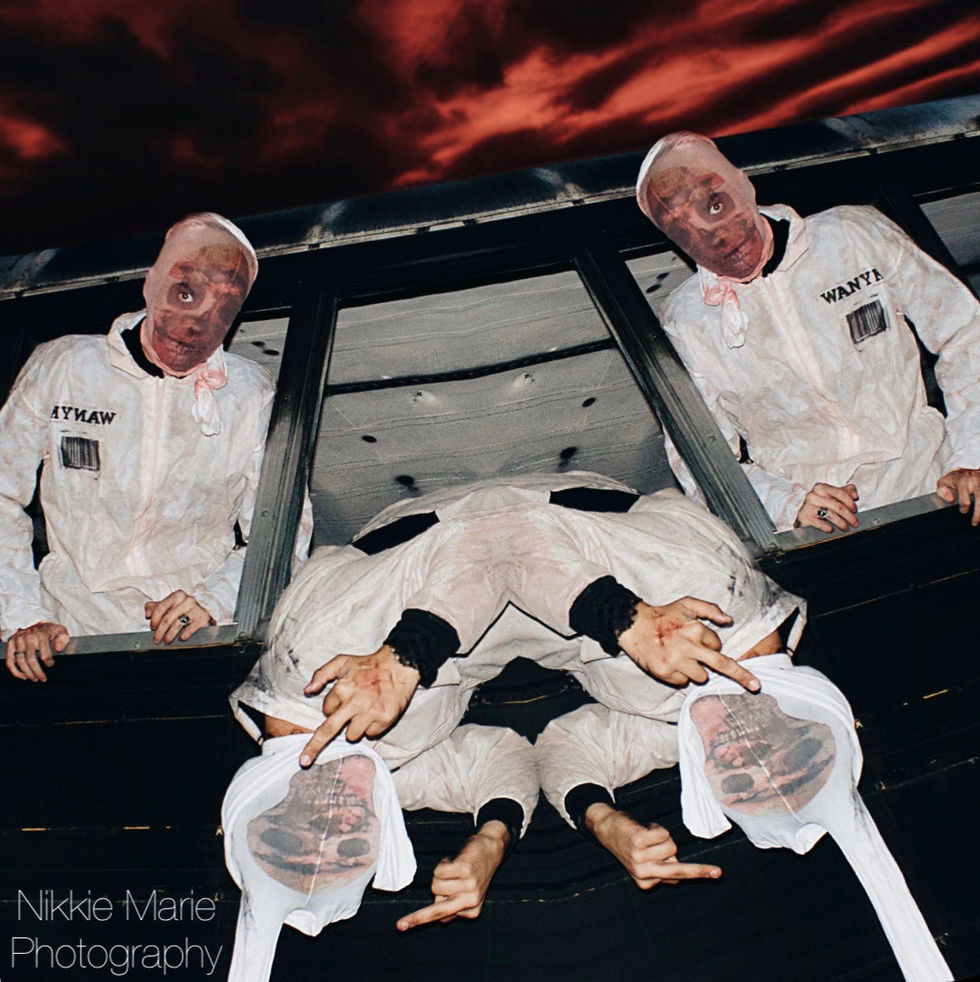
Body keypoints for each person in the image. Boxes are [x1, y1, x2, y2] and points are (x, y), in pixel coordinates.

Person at [231, 473, 802, 922]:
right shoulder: (722, 615)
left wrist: (405, 655)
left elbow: (489, 537)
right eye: (348, 846)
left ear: (262, 812)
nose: (334, 825)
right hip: (596, 527)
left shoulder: (309, 669)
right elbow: (527, 754)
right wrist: (508, 838)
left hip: (431, 531)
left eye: (302, 834)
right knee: (717, 645)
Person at [1, 213, 312, 682]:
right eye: (185, 293)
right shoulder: (65, 367)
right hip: (67, 638)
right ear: (150, 283)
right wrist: (22, 615)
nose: (198, 322)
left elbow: (284, 534)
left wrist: (215, 600)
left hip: (190, 644)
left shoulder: (251, 395)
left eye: (224, 307)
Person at [635, 131, 980, 533]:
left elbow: (965, 332)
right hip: (821, 532)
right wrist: (787, 504)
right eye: (682, 228)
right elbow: (700, 458)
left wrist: (971, 455)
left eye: (714, 204)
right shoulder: (688, 320)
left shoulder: (851, 236)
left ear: (744, 184)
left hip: (935, 490)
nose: (715, 236)